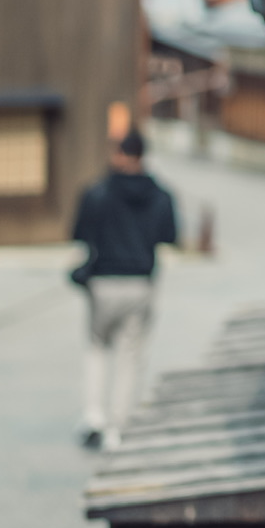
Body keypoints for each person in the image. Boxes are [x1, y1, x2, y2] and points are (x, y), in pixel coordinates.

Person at [71, 127, 177, 450]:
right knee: (131, 356)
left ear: (119, 154)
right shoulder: (160, 195)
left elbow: (80, 234)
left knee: (97, 347)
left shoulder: (97, 192)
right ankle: (118, 426)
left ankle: (93, 415)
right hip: (140, 283)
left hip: (102, 281)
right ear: (142, 155)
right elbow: (168, 236)